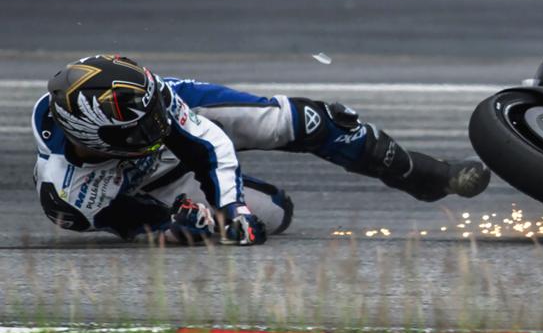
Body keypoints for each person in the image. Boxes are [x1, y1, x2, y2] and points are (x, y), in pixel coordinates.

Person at [32, 55, 490, 245]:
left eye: (155, 113)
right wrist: (182, 227)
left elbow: (208, 144)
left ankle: (427, 176)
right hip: (159, 187)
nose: (159, 125)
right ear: (89, 135)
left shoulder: (161, 106)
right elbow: (139, 227)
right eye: (144, 125)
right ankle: (238, 200)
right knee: (274, 214)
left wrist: (230, 207)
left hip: (190, 117)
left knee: (316, 121)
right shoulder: (67, 195)